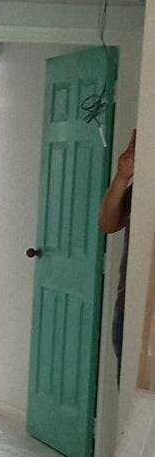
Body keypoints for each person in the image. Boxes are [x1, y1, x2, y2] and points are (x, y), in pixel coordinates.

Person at [99, 129, 135, 382]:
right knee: (131, 393)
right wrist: (122, 177)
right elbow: (108, 224)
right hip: (129, 304)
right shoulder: (144, 187)